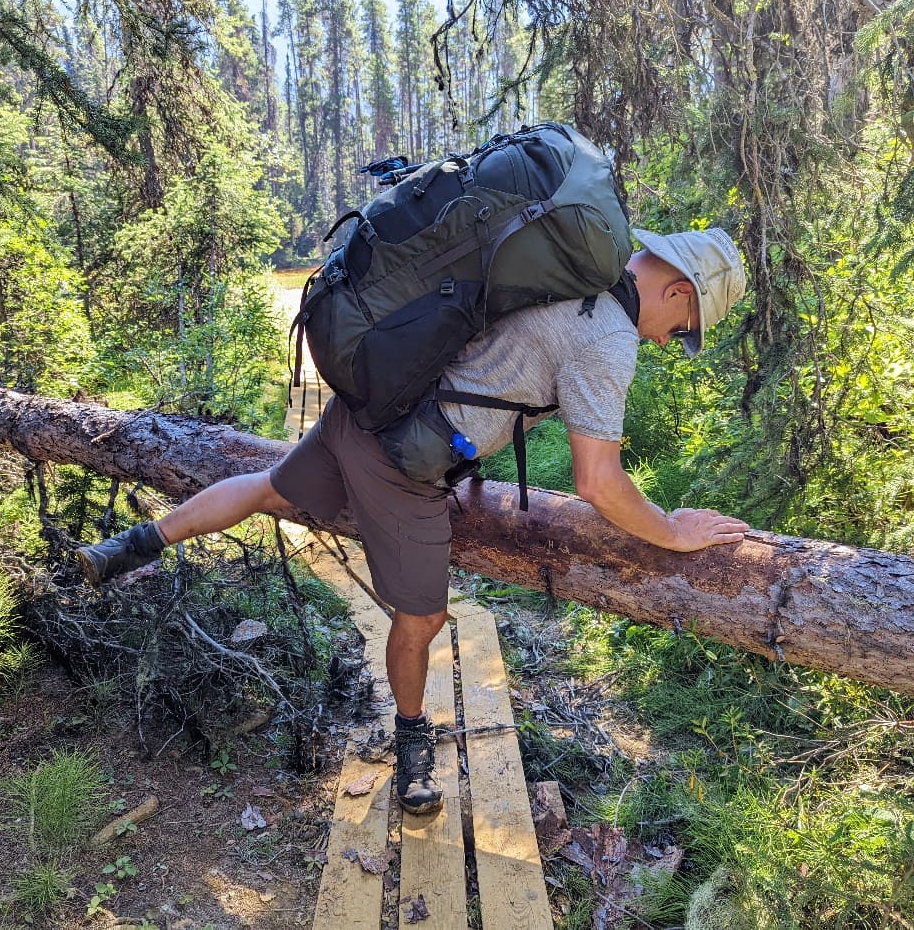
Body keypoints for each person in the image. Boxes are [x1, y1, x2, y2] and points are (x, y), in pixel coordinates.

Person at [77, 227, 750, 816]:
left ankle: (132, 544)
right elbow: (598, 481)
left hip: (371, 402)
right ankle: (411, 740)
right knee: (424, 619)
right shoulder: (606, 336)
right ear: (679, 293)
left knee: (270, 489)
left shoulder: (567, 273)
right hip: (404, 461)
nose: (670, 341)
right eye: (683, 331)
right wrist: (672, 528)